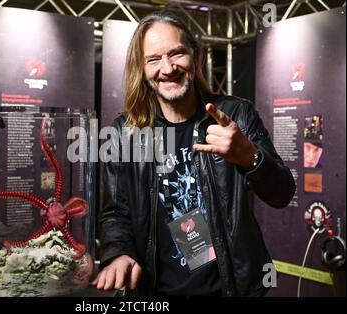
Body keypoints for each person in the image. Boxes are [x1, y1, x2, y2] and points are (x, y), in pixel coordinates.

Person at [92, 10, 296, 297]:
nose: (167, 68)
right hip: (154, 292)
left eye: (177, 54)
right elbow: (115, 212)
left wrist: (249, 156)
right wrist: (119, 253)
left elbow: (283, 192)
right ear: (142, 67)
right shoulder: (125, 132)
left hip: (231, 288)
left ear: (196, 56)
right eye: (153, 59)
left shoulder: (236, 114)